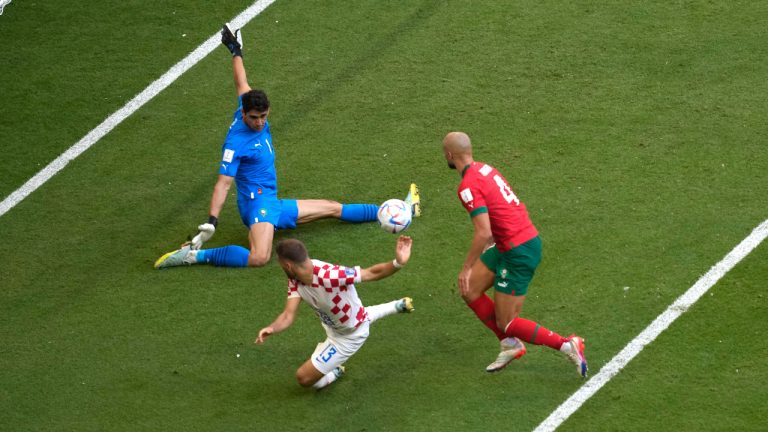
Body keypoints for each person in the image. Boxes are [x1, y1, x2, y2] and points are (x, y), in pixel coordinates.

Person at [154, 24, 421, 269]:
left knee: (332, 208)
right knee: (259, 257)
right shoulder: (235, 144)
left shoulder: (246, 104)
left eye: (264, 117)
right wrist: (212, 221)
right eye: (254, 118)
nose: (260, 123)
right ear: (244, 114)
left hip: (271, 200)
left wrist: (235, 51)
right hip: (257, 204)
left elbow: (241, 83)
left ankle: (396, 211)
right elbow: (223, 183)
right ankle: (192, 255)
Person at [442, 131, 588, 376]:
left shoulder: (467, 186)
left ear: (449, 155)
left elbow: (483, 232)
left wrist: (467, 266)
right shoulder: (486, 169)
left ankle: (568, 344)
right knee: (470, 289)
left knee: (507, 321)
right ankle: (509, 343)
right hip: (510, 243)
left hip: (518, 251)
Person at [255, 236, 414, 389]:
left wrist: (398, 263)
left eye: (280, 263)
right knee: (357, 316)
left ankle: (335, 372)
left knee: (304, 378)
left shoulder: (330, 275)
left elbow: (370, 273)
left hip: (350, 336)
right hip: (334, 326)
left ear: (288, 265)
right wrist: (272, 328)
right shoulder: (295, 280)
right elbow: (288, 315)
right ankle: (396, 306)